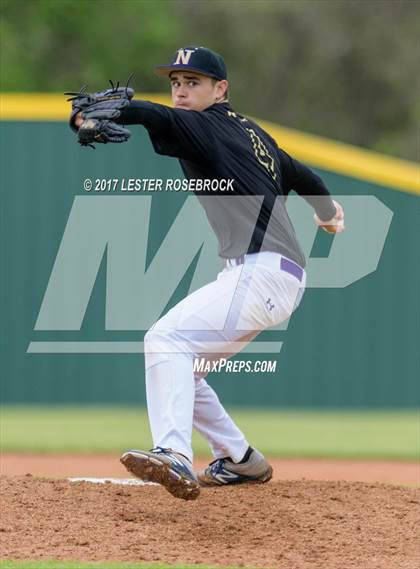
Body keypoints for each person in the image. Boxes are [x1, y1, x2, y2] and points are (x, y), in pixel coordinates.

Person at [75, 46, 345, 501]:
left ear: (221, 89)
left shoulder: (202, 125)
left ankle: (174, 453)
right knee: (186, 366)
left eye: (193, 83)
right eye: (176, 83)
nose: (181, 92)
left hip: (260, 274)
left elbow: (156, 117)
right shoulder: (252, 133)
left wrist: (113, 109)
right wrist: (328, 211)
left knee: (165, 340)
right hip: (272, 275)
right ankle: (240, 458)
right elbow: (302, 174)